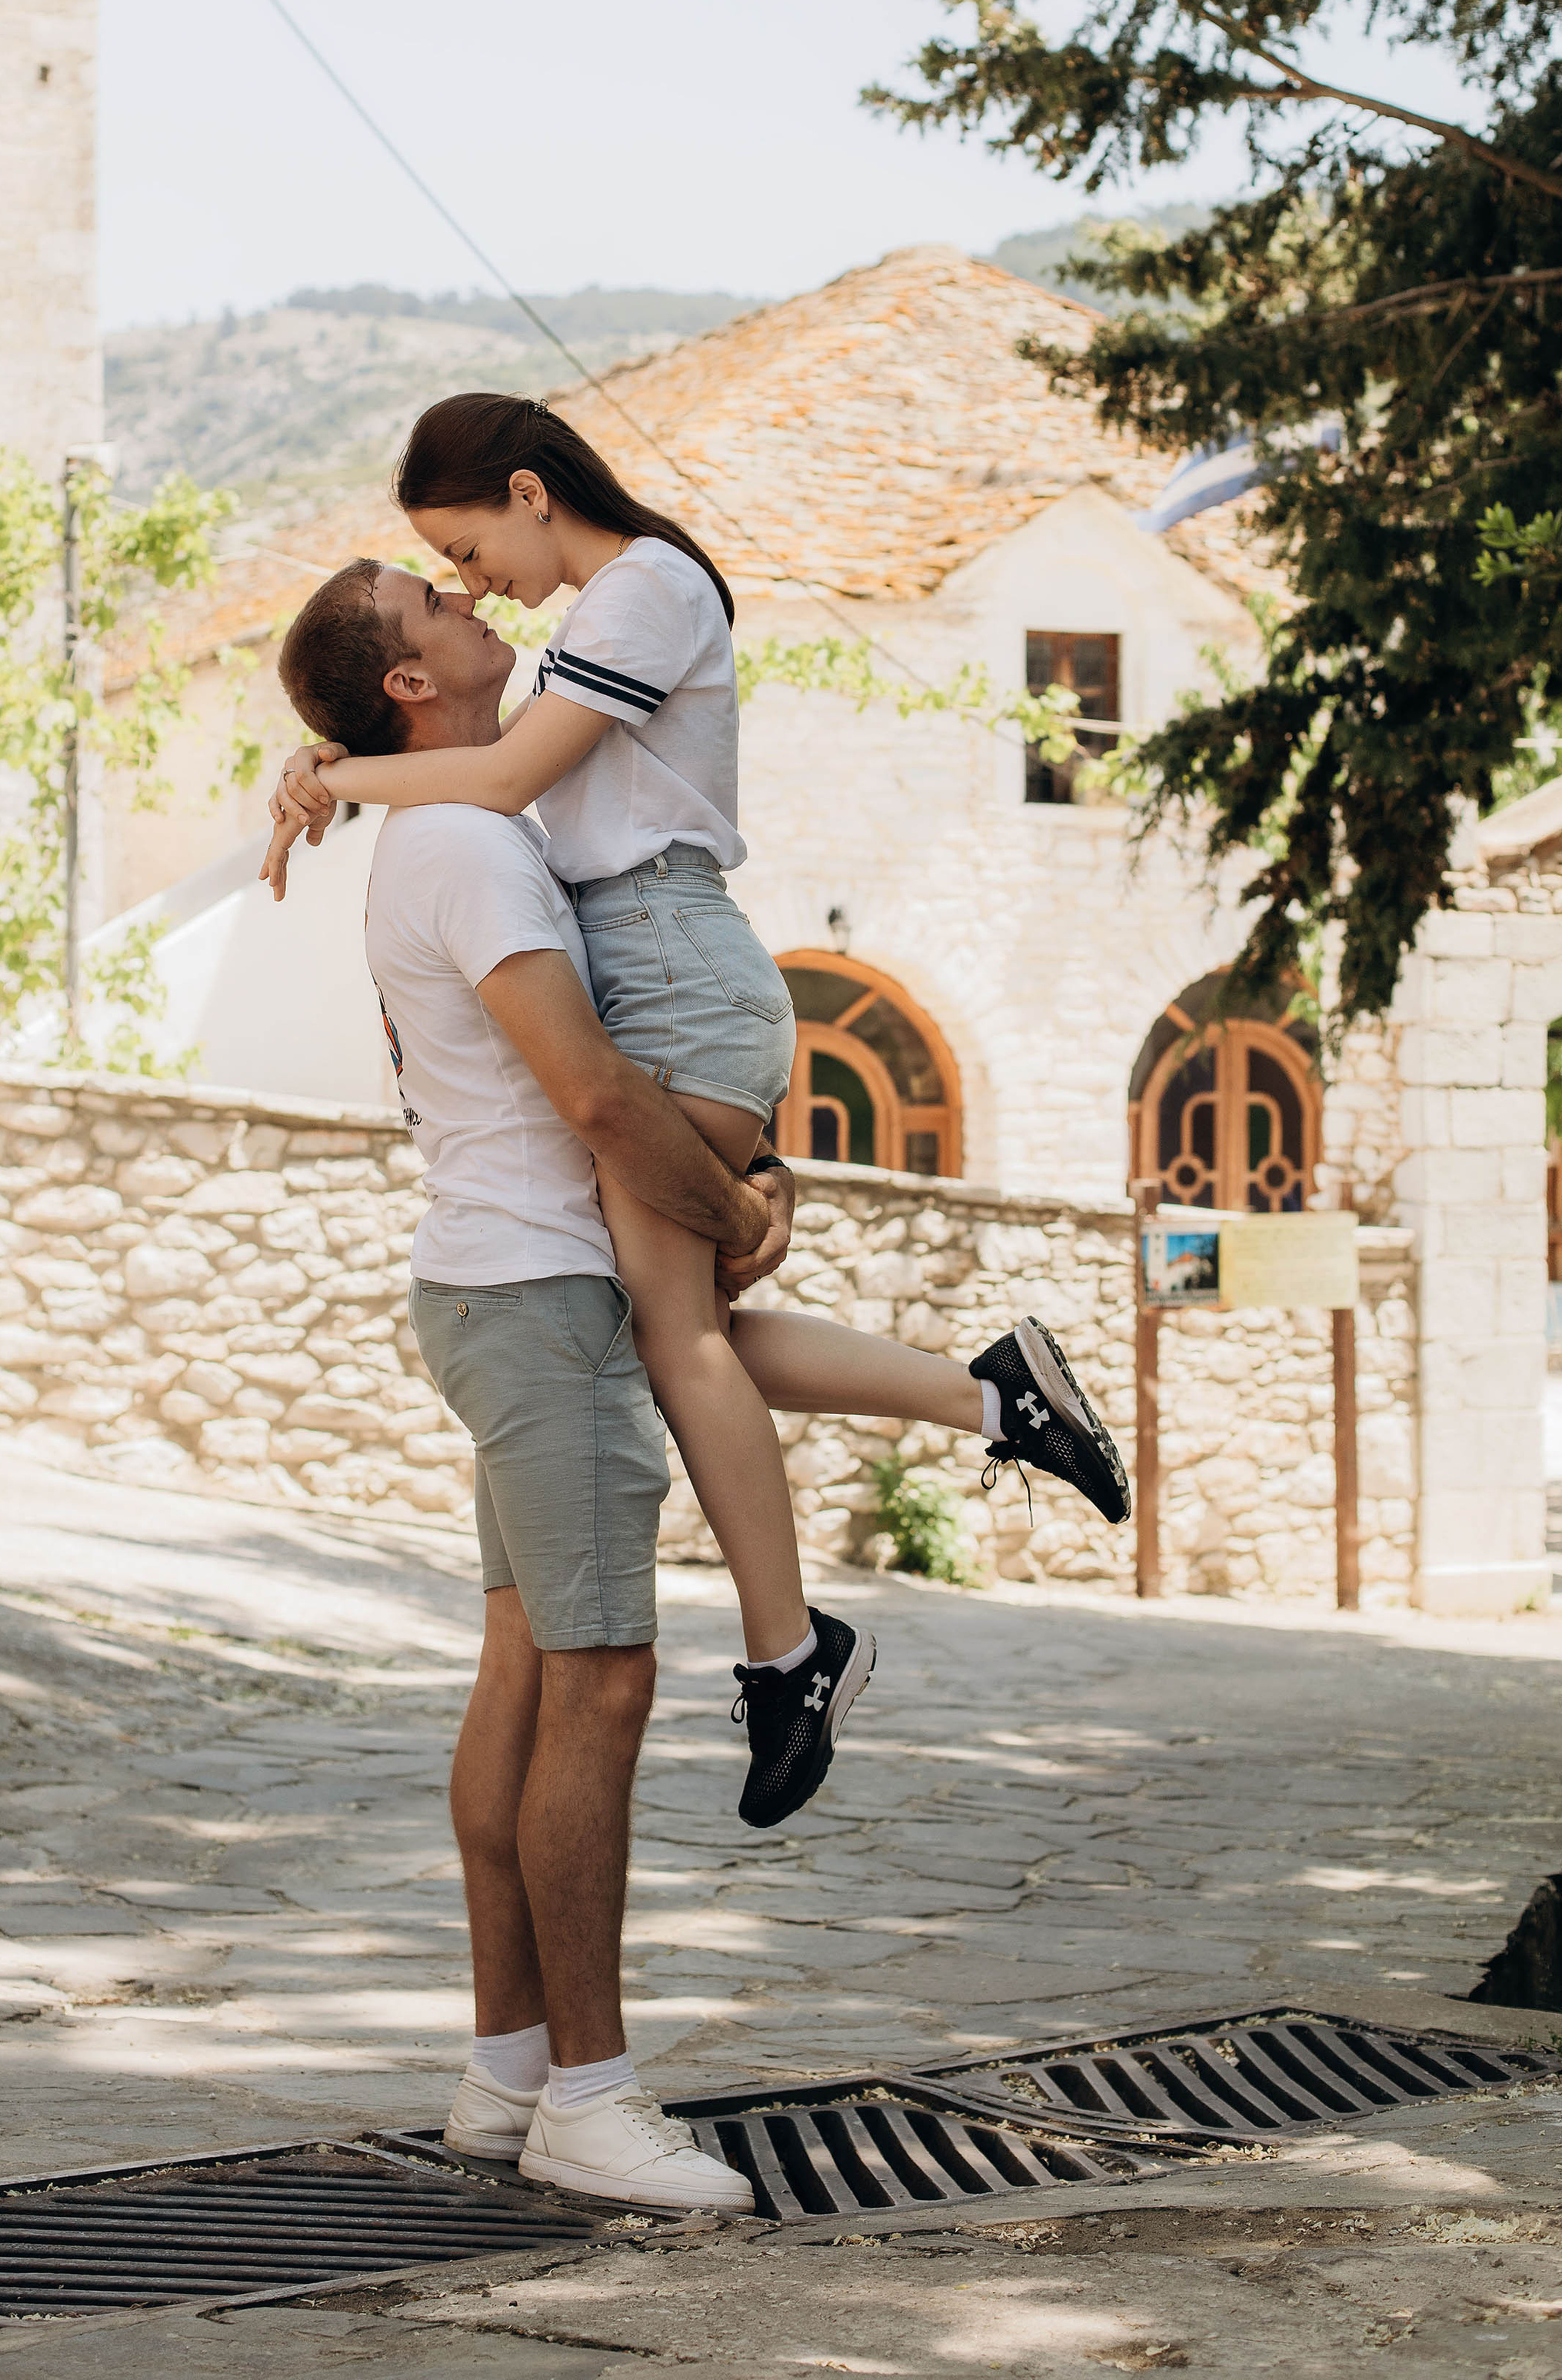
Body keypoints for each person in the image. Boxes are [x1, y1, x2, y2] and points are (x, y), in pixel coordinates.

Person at [265, 398, 1131, 1829]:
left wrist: (333, 776)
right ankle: (993, 1402)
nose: (471, 582)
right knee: (683, 1325)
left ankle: (796, 1654)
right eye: (446, 576)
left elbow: (501, 778)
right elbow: (478, 770)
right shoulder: (592, 621)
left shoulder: (645, 591)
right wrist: (327, 765)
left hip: (668, 959)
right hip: (655, 964)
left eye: (465, 549)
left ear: (530, 492)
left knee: (676, 1334)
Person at [275, 554, 774, 2211]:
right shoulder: (475, 846)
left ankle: (505, 2073)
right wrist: (736, 1218)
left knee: (524, 1670)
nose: (466, 596)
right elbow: (599, 1097)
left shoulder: (456, 825)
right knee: (601, 1683)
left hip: (499, 1286)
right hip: (543, 1300)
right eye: (429, 601)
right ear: (408, 684)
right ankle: (591, 2103)